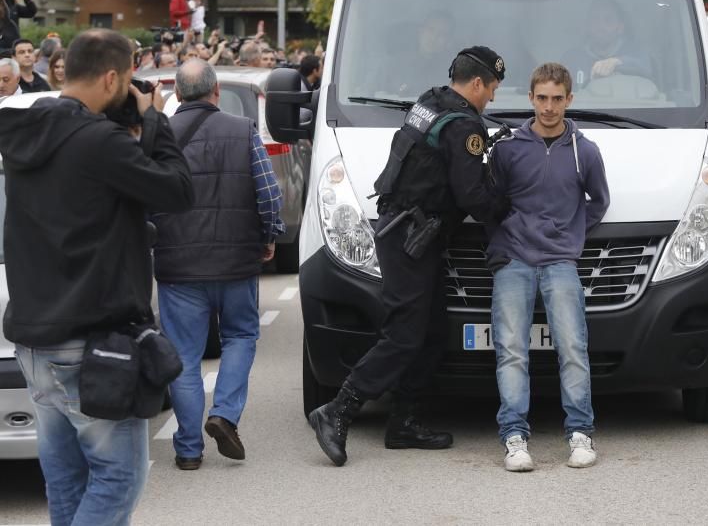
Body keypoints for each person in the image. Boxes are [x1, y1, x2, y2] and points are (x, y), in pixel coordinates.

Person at [0, 29, 193, 526]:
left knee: (65, 480)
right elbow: (177, 190)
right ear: (113, 77)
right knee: (119, 476)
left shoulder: (22, 130)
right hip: (91, 343)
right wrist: (154, 120)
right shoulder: (98, 143)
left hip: (34, 341)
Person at [308, 46, 511, 467]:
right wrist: (510, 209)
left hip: (410, 229)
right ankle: (337, 411)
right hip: (411, 237)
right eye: (491, 90)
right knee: (403, 334)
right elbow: (472, 194)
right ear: (477, 84)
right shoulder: (463, 125)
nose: (491, 98)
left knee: (432, 330)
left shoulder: (430, 100)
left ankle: (404, 421)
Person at [151, 59, 284, 471]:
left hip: (178, 267)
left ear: (177, 94)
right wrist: (269, 236)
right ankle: (224, 414)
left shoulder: (160, 138)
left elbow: (146, 200)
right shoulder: (242, 130)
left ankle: (188, 449)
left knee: (185, 356)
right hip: (236, 262)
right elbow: (269, 193)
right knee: (241, 336)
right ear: (215, 93)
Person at [487, 62, 610, 472]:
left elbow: (599, 201)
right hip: (514, 261)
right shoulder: (507, 150)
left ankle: (580, 433)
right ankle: (514, 438)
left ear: (569, 100)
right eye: (542, 98)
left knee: (573, 349)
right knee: (511, 352)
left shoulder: (585, 151)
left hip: (560, 262)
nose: (549, 107)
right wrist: (506, 236)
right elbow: (490, 202)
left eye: (558, 98)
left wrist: (571, 234)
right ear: (531, 98)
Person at [561, 0, 653, 89]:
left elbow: (647, 68)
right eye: (595, 19)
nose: (601, 26)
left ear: (620, 27)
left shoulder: (636, 53)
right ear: (587, 26)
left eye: (608, 20)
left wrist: (617, 62)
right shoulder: (572, 58)